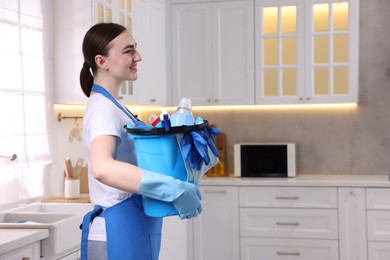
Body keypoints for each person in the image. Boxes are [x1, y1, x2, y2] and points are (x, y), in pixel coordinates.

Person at [79, 23, 203, 260]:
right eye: (128, 51)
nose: (138, 56)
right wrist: (172, 189)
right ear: (102, 61)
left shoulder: (116, 107)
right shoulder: (102, 109)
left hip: (132, 228)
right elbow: (103, 168)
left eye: (135, 49)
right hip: (118, 231)